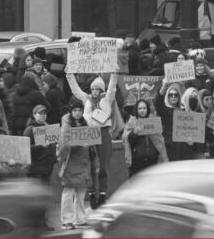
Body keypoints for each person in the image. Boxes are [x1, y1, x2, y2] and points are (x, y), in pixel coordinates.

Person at [66, 68, 119, 209]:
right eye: (93, 89)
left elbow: (112, 88)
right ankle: (91, 193)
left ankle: (102, 194)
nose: (95, 91)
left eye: (97, 89)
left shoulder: (106, 98)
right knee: (90, 165)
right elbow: (76, 91)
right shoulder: (86, 99)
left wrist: (114, 73)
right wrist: (69, 75)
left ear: (101, 90)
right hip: (89, 134)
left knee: (103, 166)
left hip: (103, 133)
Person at [57, 97, 99, 230]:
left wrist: (93, 155)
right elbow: (63, 145)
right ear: (71, 111)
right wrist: (76, 144)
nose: (77, 112)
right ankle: (66, 220)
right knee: (68, 192)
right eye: (75, 110)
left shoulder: (85, 123)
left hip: (83, 162)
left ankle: (80, 219)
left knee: (81, 192)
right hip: (70, 162)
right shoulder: (66, 125)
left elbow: (92, 144)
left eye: (79, 110)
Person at [122, 99, 168, 177]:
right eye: (140, 108)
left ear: (148, 109)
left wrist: (155, 152)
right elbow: (126, 139)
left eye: (144, 108)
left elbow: (159, 141)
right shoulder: (132, 122)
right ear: (136, 110)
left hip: (152, 162)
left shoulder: (153, 122)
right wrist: (134, 133)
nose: (142, 110)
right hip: (136, 163)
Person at [23, 105, 56, 185]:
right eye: (40, 113)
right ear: (34, 115)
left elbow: (52, 145)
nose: (43, 115)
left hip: (47, 167)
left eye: (44, 113)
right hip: (35, 167)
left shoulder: (48, 127)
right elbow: (24, 148)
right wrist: (40, 146)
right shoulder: (29, 129)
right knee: (34, 193)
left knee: (44, 194)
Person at [154, 79, 183, 161]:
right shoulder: (165, 110)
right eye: (171, 95)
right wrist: (163, 88)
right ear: (167, 96)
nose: (173, 97)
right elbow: (158, 103)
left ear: (179, 96)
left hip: (182, 149)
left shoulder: (183, 111)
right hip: (169, 148)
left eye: (176, 95)